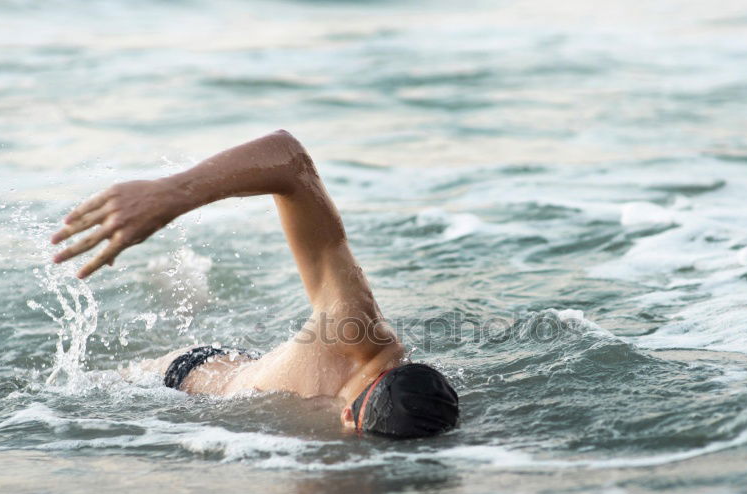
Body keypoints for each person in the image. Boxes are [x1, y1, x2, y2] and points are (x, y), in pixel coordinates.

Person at [50, 130, 459, 437]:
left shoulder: (417, 402)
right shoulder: (355, 326)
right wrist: (172, 193)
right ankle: (176, 282)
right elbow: (288, 157)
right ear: (349, 417)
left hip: (261, 378)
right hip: (181, 381)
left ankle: (186, 291)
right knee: (67, 396)